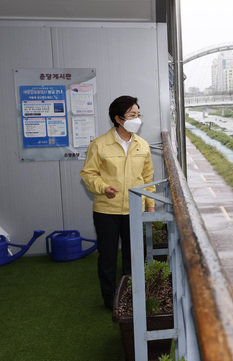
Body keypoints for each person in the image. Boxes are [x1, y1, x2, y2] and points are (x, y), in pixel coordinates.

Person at [80, 95, 155, 310]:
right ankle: (110, 300)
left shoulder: (143, 145)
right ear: (118, 118)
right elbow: (88, 174)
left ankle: (132, 298)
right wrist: (103, 187)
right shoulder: (100, 145)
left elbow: (148, 178)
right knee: (108, 258)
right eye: (133, 115)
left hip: (135, 209)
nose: (137, 119)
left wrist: (150, 206)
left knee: (134, 257)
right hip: (106, 210)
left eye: (138, 115)